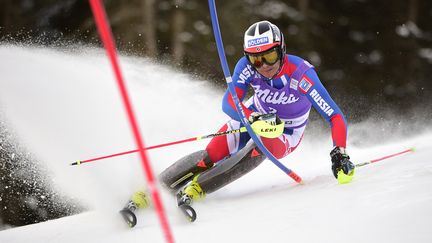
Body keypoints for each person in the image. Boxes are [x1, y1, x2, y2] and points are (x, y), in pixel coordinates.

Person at [123, 20, 355, 221]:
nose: (264, 65)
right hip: (253, 116)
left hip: (286, 131)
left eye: (270, 56)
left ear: (281, 49)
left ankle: (196, 189)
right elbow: (229, 103)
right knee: (210, 155)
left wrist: (339, 153)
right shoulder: (246, 68)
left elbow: (334, 116)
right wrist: (252, 117)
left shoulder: (302, 74)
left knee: (261, 145)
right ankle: (150, 191)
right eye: (256, 59)